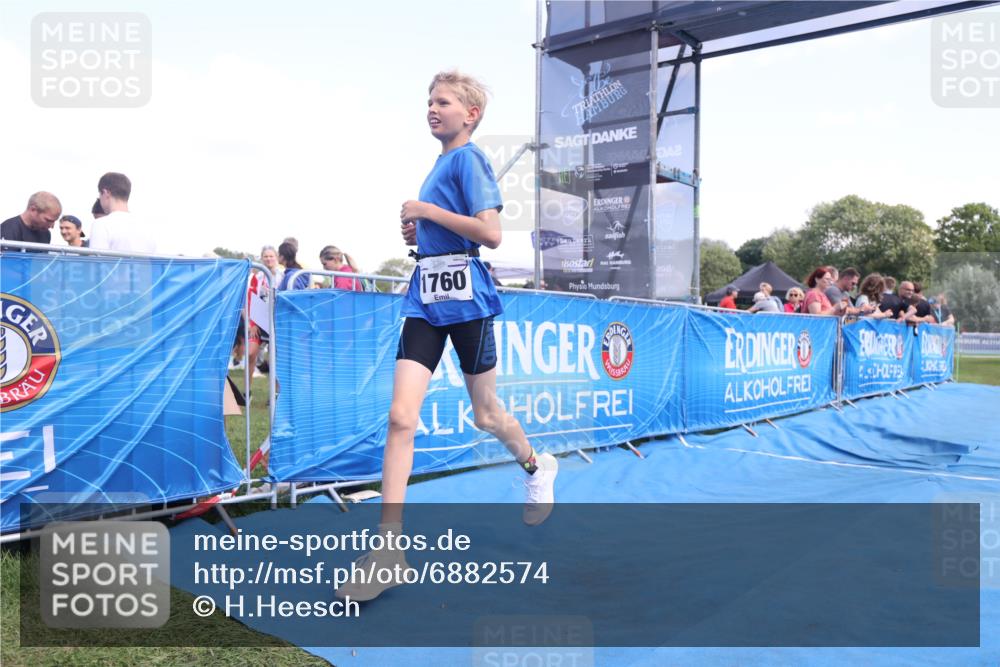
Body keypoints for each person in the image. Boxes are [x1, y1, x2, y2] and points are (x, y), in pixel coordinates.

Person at [335, 71, 557, 603]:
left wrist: (429, 212)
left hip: (468, 297)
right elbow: (449, 226)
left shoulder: (470, 158)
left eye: (443, 101)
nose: (431, 108)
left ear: (470, 114)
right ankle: (388, 551)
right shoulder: (439, 164)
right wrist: (420, 233)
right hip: (425, 296)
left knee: (485, 414)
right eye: (428, 101)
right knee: (400, 416)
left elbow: (492, 232)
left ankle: (535, 464)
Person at [88, 172, 157, 253]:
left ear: (106, 193)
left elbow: (96, 262)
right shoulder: (146, 226)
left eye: (100, 194)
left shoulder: (100, 224)